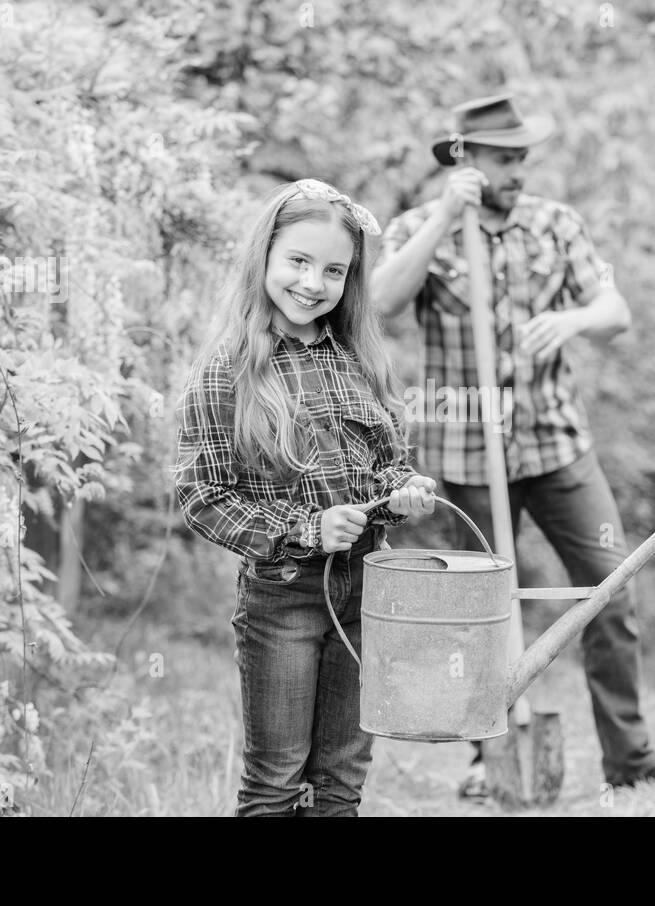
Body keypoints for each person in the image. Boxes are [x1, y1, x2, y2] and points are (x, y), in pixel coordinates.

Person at [373, 94, 655, 795]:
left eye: (522, 157)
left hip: (557, 445)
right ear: (465, 158)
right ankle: (492, 760)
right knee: (486, 613)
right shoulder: (419, 227)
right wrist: (447, 220)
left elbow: (616, 312)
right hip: (467, 453)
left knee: (609, 589)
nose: (519, 169)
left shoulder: (555, 223)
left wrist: (573, 321)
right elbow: (384, 303)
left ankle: (632, 766)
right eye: (505, 158)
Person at [175, 178, 438, 817]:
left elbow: (385, 465)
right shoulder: (228, 369)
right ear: (264, 256)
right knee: (277, 783)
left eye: (334, 271)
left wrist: (402, 491)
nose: (313, 283)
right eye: (298, 261)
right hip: (284, 595)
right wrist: (306, 528)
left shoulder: (358, 359)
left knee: (342, 782)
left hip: (367, 595)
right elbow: (202, 494)